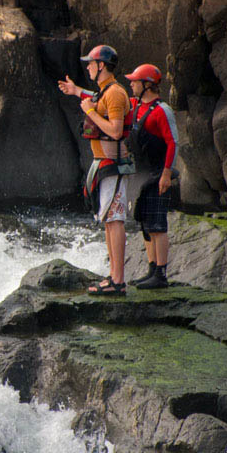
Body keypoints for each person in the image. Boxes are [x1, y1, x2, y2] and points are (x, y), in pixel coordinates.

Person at [57, 44, 131, 296]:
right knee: (108, 220)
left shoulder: (116, 93)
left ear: (101, 66)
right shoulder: (106, 91)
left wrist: (88, 110)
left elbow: (115, 131)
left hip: (115, 166)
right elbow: (96, 99)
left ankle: (118, 281)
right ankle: (113, 276)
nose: (87, 66)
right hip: (104, 165)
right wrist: (77, 92)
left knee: (115, 219)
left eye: (90, 63)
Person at [123, 63, 178, 289]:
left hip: (158, 175)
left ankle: (161, 274)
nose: (131, 84)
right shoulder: (135, 105)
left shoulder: (162, 110)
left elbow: (172, 143)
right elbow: (112, 101)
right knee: (145, 224)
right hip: (142, 175)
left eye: (134, 81)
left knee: (158, 225)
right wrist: (78, 92)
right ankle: (151, 268)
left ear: (147, 85)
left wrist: (166, 174)